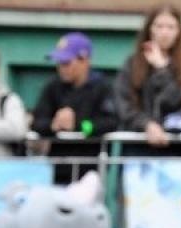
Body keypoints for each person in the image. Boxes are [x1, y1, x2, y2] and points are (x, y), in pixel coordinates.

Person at [31, 32, 120, 182]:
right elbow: (37, 122)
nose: (61, 68)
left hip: (90, 170)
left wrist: (80, 126)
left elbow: (111, 122)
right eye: (59, 63)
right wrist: (54, 125)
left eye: (66, 63)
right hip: (56, 168)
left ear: (84, 61)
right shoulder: (52, 87)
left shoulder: (102, 88)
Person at [116, 4, 181, 149]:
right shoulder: (133, 63)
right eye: (159, 26)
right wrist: (146, 124)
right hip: (137, 144)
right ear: (150, 29)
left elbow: (179, 101)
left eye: (171, 27)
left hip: (175, 146)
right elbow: (124, 104)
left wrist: (162, 70)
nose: (164, 33)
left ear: (178, 32)